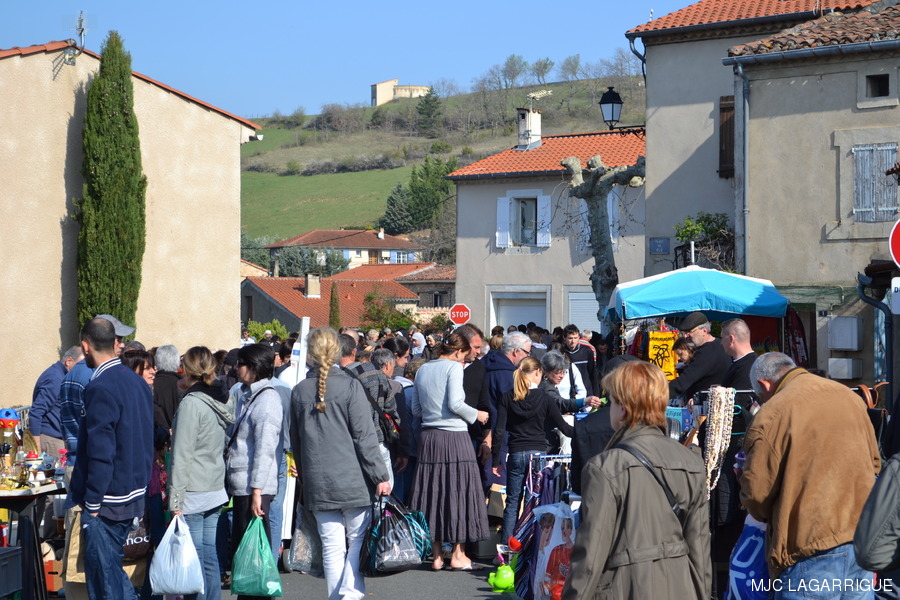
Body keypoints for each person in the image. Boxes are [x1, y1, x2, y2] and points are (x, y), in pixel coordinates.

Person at [563, 360, 711, 599]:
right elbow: (700, 548)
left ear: (623, 407)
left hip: (624, 588)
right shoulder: (691, 462)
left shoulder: (605, 467)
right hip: (681, 587)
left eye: (612, 401)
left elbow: (590, 556)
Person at [741, 352, 879, 595]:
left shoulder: (772, 413)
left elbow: (757, 494)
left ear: (764, 385)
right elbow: (875, 464)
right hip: (860, 538)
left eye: (759, 395)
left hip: (808, 546)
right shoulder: (849, 397)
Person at [290, 327, 391, 600]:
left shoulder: (299, 392)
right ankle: (350, 592)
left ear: (310, 353)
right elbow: (364, 437)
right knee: (357, 539)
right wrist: (380, 475)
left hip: (318, 480)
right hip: (352, 478)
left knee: (332, 546)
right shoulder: (349, 386)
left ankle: (340, 596)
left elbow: (296, 442)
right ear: (336, 351)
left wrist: (305, 478)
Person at [65, 317, 154, 600]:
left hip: (109, 499)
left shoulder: (101, 386)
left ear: (85, 346)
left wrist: (92, 503)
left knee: (105, 582)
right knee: (112, 575)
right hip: (130, 493)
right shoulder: (135, 381)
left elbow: (101, 452)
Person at [410, 333, 490, 571]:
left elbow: (416, 409)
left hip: (429, 437)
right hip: (454, 437)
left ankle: (436, 556)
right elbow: (456, 404)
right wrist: (477, 414)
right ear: (457, 352)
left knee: (432, 493)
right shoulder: (454, 368)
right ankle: (458, 555)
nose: (464, 362)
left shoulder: (422, 369)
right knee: (459, 491)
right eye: (464, 356)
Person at [169, 346, 234, 600]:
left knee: (195, 558)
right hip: (214, 484)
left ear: (187, 370)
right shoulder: (220, 397)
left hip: (194, 489)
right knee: (208, 556)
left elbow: (182, 454)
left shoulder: (192, 404)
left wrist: (175, 500)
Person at [491, 357, 574, 545]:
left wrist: (496, 460)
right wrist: (586, 432)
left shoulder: (507, 397)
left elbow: (499, 431)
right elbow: (564, 428)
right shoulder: (545, 398)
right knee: (533, 503)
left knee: (512, 502)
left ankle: (507, 546)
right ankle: (530, 545)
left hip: (515, 452)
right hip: (537, 455)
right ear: (537, 372)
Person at [226, 344, 283, 600]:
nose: (236, 368)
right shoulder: (246, 394)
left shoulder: (267, 399)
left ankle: (256, 596)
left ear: (254, 367)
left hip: (254, 486)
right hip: (244, 484)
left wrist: (257, 491)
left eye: (241, 364)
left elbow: (265, 449)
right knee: (246, 551)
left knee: (255, 553)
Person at [31, 345, 83, 456]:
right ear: (69, 361)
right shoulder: (55, 378)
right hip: (51, 440)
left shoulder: (61, 375)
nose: (84, 368)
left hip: (56, 438)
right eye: (81, 364)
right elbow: (36, 412)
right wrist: (36, 449)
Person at [668, 312, 731, 401]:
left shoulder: (706, 352)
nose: (685, 336)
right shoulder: (719, 345)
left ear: (704, 331)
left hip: (708, 404)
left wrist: (657, 394)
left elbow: (684, 381)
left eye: (689, 332)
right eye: (684, 332)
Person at [562, 325, 598, 396]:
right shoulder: (561, 352)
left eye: (575, 338)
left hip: (586, 390)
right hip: (567, 392)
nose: (573, 341)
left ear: (579, 337)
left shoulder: (587, 351)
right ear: (564, 338)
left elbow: (593, 373)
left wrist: (596, 394)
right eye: (570, 338)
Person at [152, 345, 182, 431]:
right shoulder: (185, 385)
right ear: (178, 362)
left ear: (156, 362)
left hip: (158, 434)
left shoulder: (151, 385)